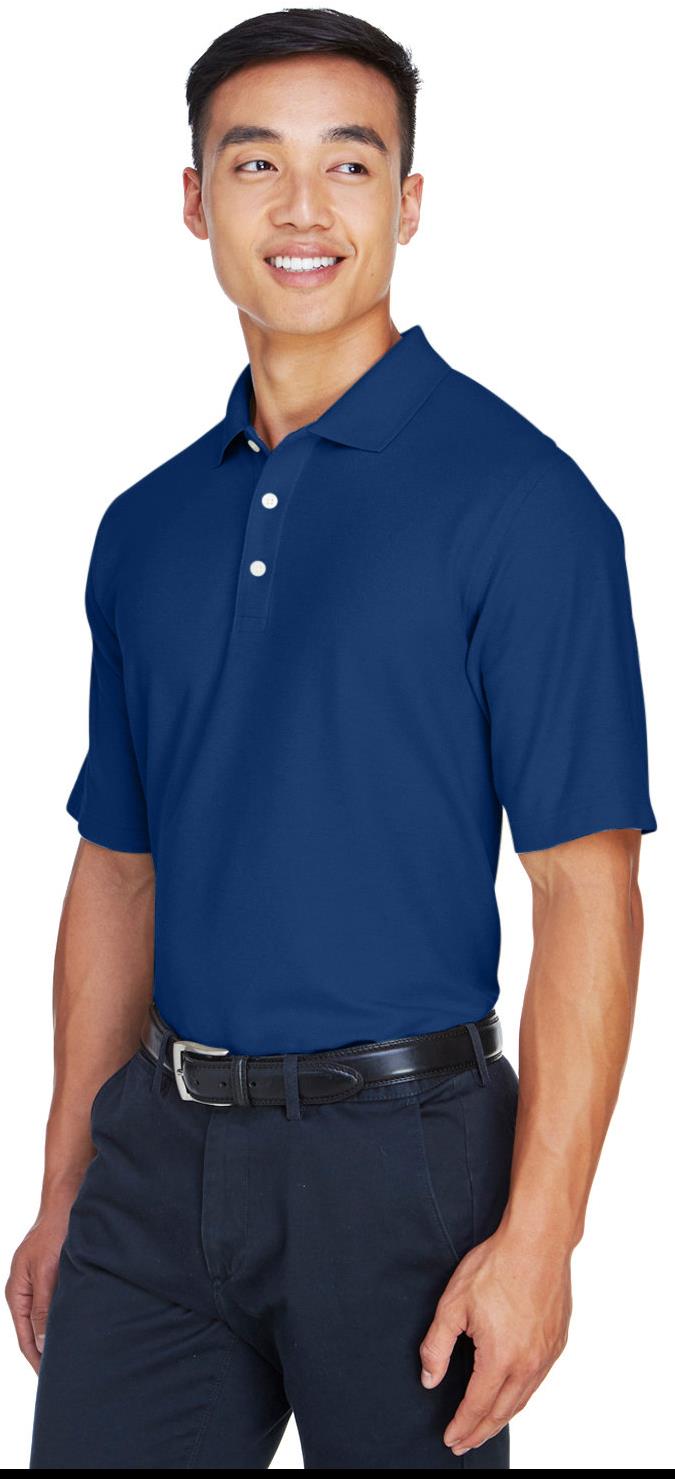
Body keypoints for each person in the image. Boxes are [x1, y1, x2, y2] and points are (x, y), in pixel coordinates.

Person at [9, 8, 656, 1470]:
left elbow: (587, 888)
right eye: (257, 165)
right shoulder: (144, 526)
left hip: (409, 1164)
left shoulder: (524, 503)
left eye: (349, 167)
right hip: (157, 1160)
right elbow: (118, 868)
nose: (303, 209)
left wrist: (543, 1237)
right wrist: (64, 1181)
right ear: (195, 201)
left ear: (409, 203)